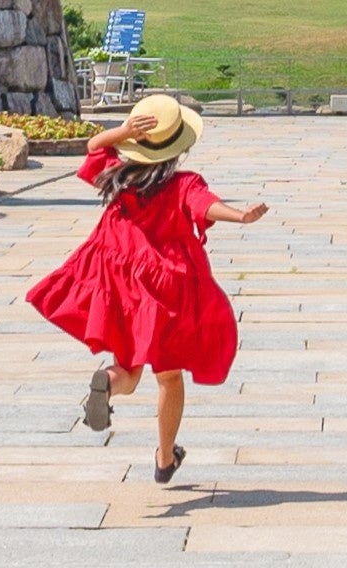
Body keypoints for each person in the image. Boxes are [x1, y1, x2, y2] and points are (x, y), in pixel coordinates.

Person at [26, 94, 267, 483]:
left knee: (128, 370)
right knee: (168, 376)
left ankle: (108, 380)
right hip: (163, 287)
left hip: (118, 278)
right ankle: (165, 456)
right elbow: (205, 205)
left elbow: (92, 147)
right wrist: (240, 215)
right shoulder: (183, 182)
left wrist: (120, 132)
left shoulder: (119, 175)